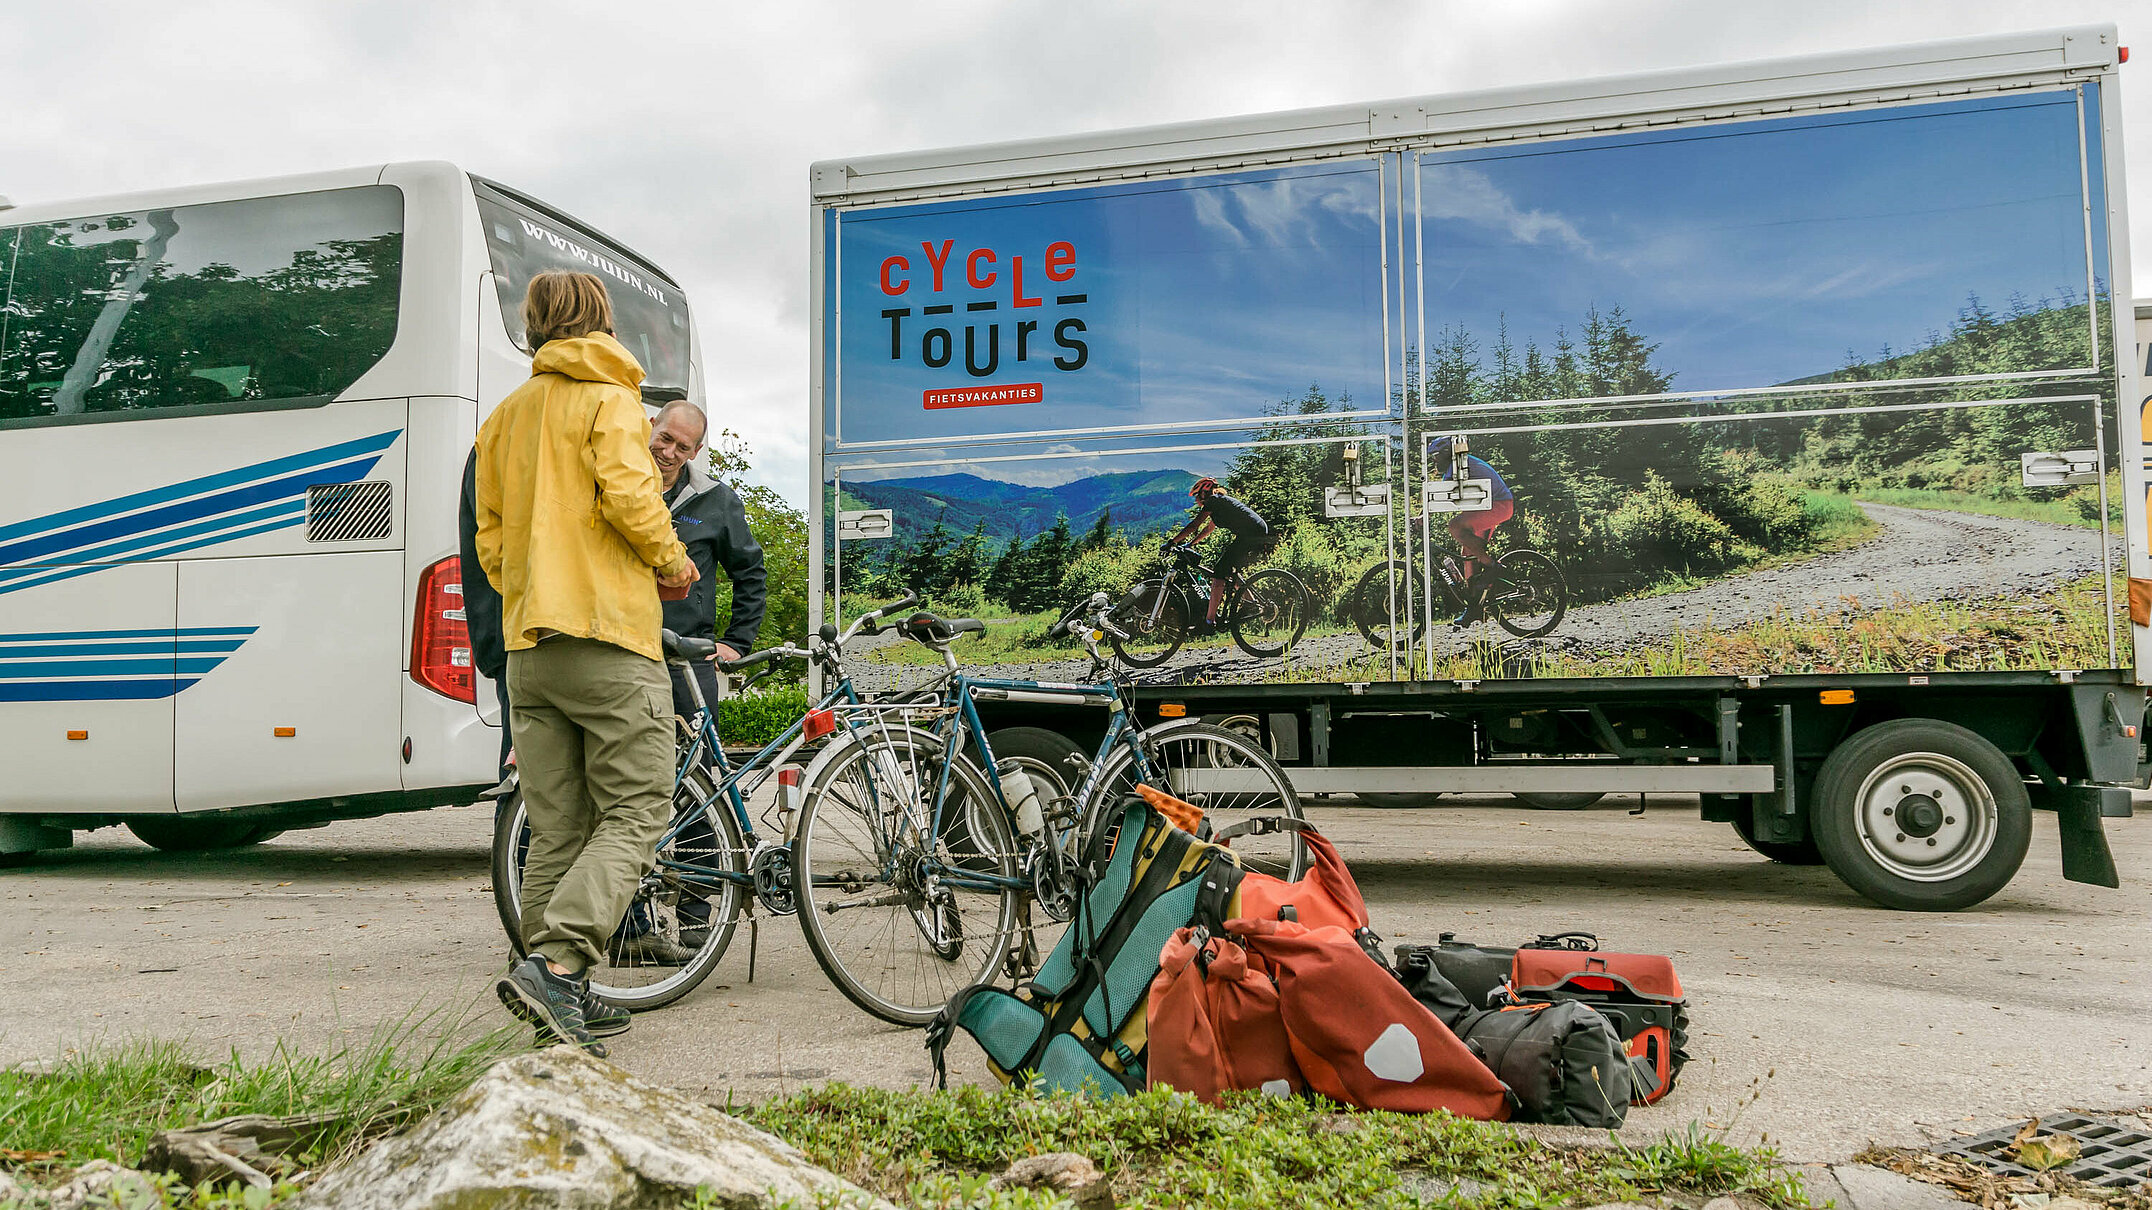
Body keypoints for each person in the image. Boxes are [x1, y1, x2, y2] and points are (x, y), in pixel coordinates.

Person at [475, 270, 698, 1055]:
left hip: (529, 647)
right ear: (600, 320)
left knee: (558, 828)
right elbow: (632, 499)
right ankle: (561, 967)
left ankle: (555, 999)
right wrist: (671, 562)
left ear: (536, 327)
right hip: (607, 636)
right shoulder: (610, 402)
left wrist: (530, 587)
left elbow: (490, 539)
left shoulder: (504, 417)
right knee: (639, 809)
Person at [647, 399, 767, 718]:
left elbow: (751, 572)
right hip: (620, 649)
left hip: (688, 656)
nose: (669, 452)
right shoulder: (615, 488)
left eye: (682, 447)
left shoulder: (717, 500)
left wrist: (737, 642)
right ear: (651, 425)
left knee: (697, 749)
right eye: (665, 438)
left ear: (696, 451)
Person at [456, 449, 512, 789]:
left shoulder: (498, 441)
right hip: (514, 633)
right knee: (523, 764)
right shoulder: (498, 446)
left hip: (514, 631)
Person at [1164, 476, 1270, 635]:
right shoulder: (1219, 504)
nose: (1196, 501)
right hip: (1251, 532)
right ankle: (1250, 602)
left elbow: (1194, 525)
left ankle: (1209, 622)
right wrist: (1190, 544)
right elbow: (1208, 529)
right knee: (1226, 570)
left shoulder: (1214, 501)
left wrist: (1172, 542)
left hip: (1252, 533)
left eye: (1197, 496)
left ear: (1204, 493)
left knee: (1219, 571)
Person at [1429, 435, 1516, 625]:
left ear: (1447, 453)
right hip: (1490, 506)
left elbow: (1438, 497)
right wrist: (1423, 516)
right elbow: (1439, 497)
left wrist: (1422, 518)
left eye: (1436, 456)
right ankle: (1474, 607)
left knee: (1455, 526)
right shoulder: (1456, 467)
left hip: (1499, 504)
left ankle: (1493, 566)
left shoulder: (1458, 465)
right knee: (1467, 553)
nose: (1434, 461)